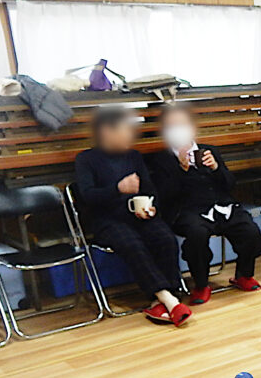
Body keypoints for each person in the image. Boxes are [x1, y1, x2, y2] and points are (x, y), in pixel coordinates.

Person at [73, 107, 190, 326]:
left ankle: (164, 300)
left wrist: (151, 207)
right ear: (107, 132)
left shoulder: (133, 156)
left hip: (137, 215)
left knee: (165, 238)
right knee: (132, 244)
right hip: (106, 219)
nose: (130, 135)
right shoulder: (86, 159)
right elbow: (87, 196)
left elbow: (149, 189)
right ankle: (169, 299)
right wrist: (118, 189)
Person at [151, 104, 261, 304]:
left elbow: (230, 185)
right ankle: (201, 284)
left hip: (222, 207)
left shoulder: (209, 151)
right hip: (187, 211)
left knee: (251, 232)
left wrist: (216, 167)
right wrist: (181, 170)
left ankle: (244, 275)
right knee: (197, 235)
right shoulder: (161, 159)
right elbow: (164, 196)